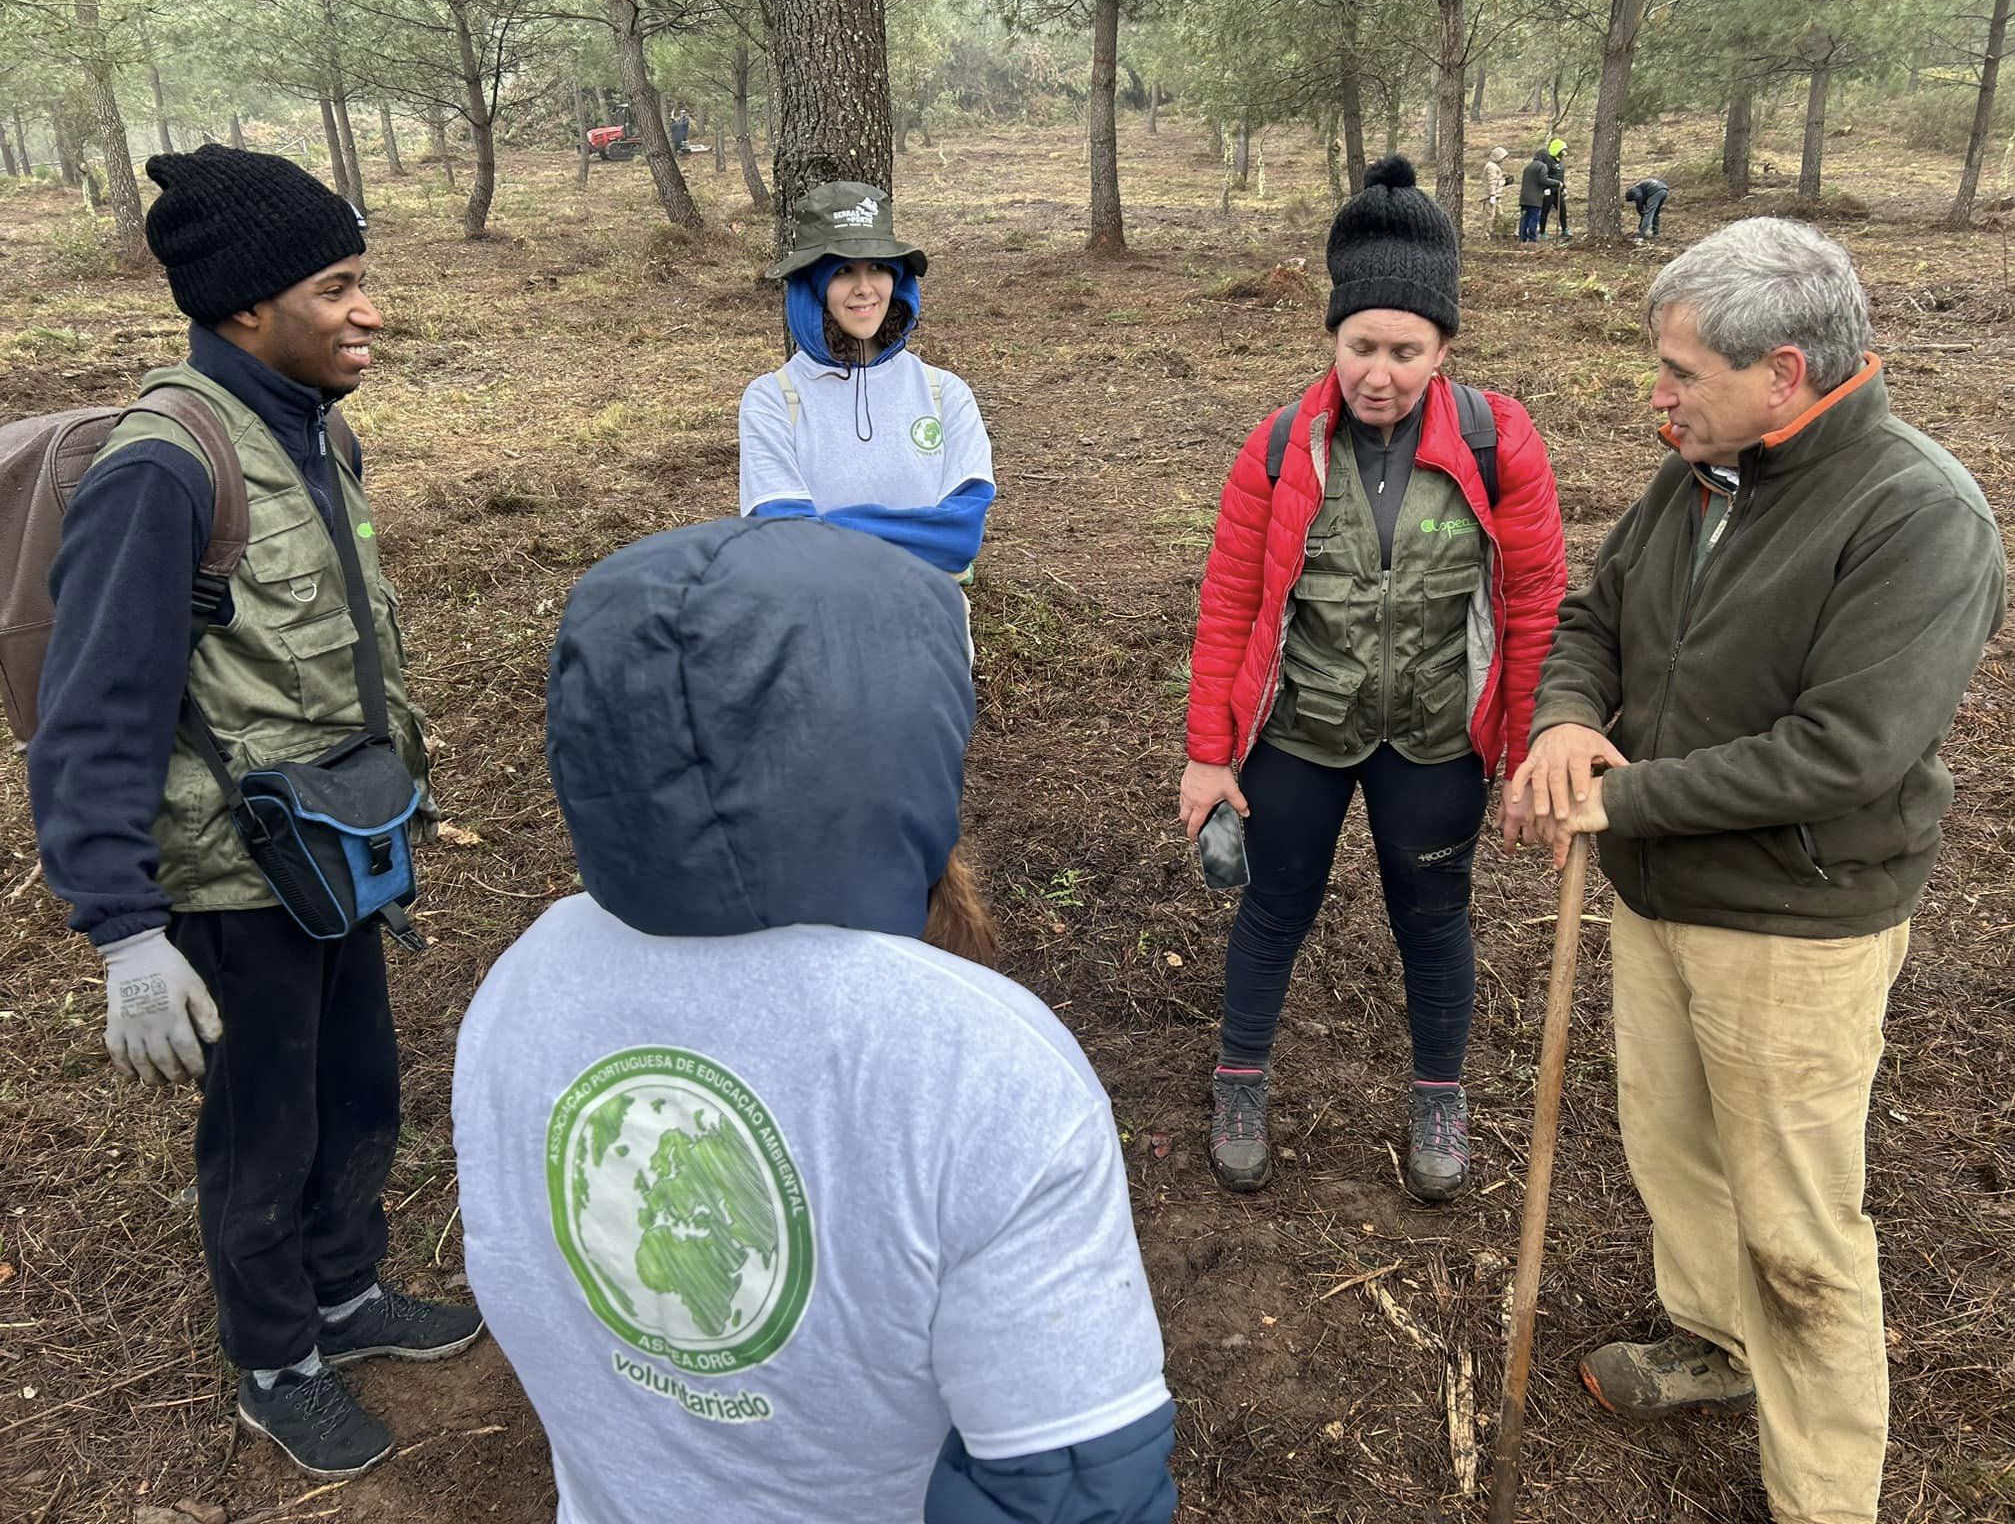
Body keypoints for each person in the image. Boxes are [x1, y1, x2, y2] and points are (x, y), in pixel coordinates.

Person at [454, 517, 1177, 1524]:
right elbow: (1071, 1493)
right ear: (899, 736)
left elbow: (534, 1293)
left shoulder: (524, 981)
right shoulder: (981, 1066)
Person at [1510, 218, 2006, 1524]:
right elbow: (1596, 618)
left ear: (1783, 372)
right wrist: (1567, 719)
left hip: (1795, 927)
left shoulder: (1919, 517)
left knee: (1799, 1234)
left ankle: (1824, 1495)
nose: (1655, 395)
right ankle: (1714, 1347)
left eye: (1679, 369)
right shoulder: (1698, 472)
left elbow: (1843, 753)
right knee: (1675, 1153)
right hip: (1660, 899)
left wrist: (1622, 802)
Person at [27, 146, 480, 1480]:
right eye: (337, 286)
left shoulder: (316, 429)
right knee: (261, 1131)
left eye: (365, 281)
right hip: (229, 884)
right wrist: (123, 933)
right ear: (244, 309)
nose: (370, 311)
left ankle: (348, 1294)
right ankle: (279, 1363)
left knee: (357, 1099)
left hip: (337, 849)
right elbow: (93, 712)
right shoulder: (161, 472)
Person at [1179, 156, 1567, 1201]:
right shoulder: (1277, 447)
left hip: (1437, 738)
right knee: (1271, 909)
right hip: (1300, 728)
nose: (1378, 372)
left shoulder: (1496, 442)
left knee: (1433, 919)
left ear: (1443, 346)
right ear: (1331, 339)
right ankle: (1238, 1078)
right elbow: (1227, 607)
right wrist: (1207, 755)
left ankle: (1438, 1093)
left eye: (1404, 349)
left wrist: (1526, 753)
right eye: (1359, 346)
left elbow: (1534, 604)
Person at [739, 181, 995, 580]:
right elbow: (785, 541)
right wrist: (914, 534)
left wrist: (826, 528)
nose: (864, 288)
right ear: (814, 286)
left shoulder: (945, 394)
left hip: (927, 623)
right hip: (815, 626)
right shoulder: (772, 400)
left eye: (877, 267)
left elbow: (958, 538)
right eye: (842, 270)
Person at [1517, 149, 1551, 243]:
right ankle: (1532, 238)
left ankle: (1522, 238)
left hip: (1524, 198)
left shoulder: (1527, 167)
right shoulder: (1542, 166)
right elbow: (1543, 180)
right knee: (1533, 218)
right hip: (1535, 199)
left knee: (1524, 218)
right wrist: (1556, 183)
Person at [1540, 137, 1570, 240]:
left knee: (1562, 210)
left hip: (1558, 191)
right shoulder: (1548, 161)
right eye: (1562, 150)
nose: (1564, 153)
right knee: (1545, 211)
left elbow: (1560, 177)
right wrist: (1545, 188)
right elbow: (1544, 176)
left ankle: (1565, 229)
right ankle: (1542, 232)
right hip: (1549, 192)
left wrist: (1564, 187)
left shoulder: (1560, 163)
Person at [1625, 176, 1669, 241]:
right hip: (1664, 190)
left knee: (1648, 213)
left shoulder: (1634, 190)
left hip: (1655, 191)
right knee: (1655, 213)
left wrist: (1640, 210)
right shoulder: (1641, 188)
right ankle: (1655, 233)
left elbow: (1638, 197)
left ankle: (1642, 235)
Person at [1483, 146, 1509, 235]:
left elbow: (1496, 181)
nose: (1504, 160)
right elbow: (1492, 182)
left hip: (1496, 196)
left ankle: (1494, 232)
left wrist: (1504, 181)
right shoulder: (1491, 167)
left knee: (1499, 215)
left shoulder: (1494, 166)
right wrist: (1492, 195)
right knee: (1490, 216)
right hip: (1491, 196)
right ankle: (1486, 235)